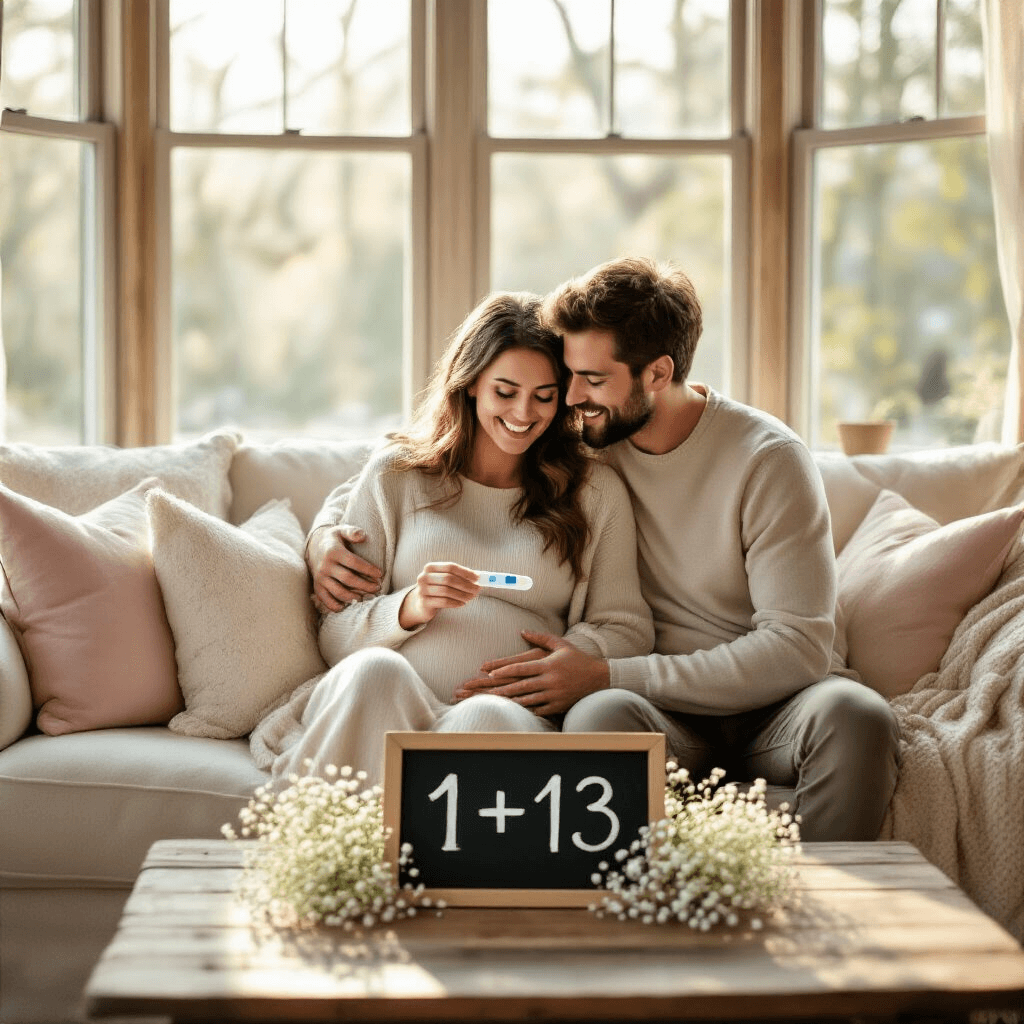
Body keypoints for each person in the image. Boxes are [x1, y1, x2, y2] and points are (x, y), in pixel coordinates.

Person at [308, 258, 900, 842]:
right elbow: (414, 472)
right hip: (654, 708)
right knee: (597, 718)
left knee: (858, 716)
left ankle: (824, 912)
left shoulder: (764, 459)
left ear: (657, 374)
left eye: (588, 382)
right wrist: (322, 539)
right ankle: (642, 898)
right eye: (568, 377)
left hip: (771, 701)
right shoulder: (587, 437)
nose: (565, 399)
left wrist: (604, 670)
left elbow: (797, 647)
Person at [251, 291, 653, 787]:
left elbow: (627, 628)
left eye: (543, 395)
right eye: (504, 392)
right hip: (392, 702)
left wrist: (564, 659)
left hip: (508, 715)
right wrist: (410, 606)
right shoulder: (398, 475)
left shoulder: (593, 492)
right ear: (470, 386)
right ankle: (322, 854)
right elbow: (335, 634)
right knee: (373, 671)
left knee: (482, 718)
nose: (523, 413)